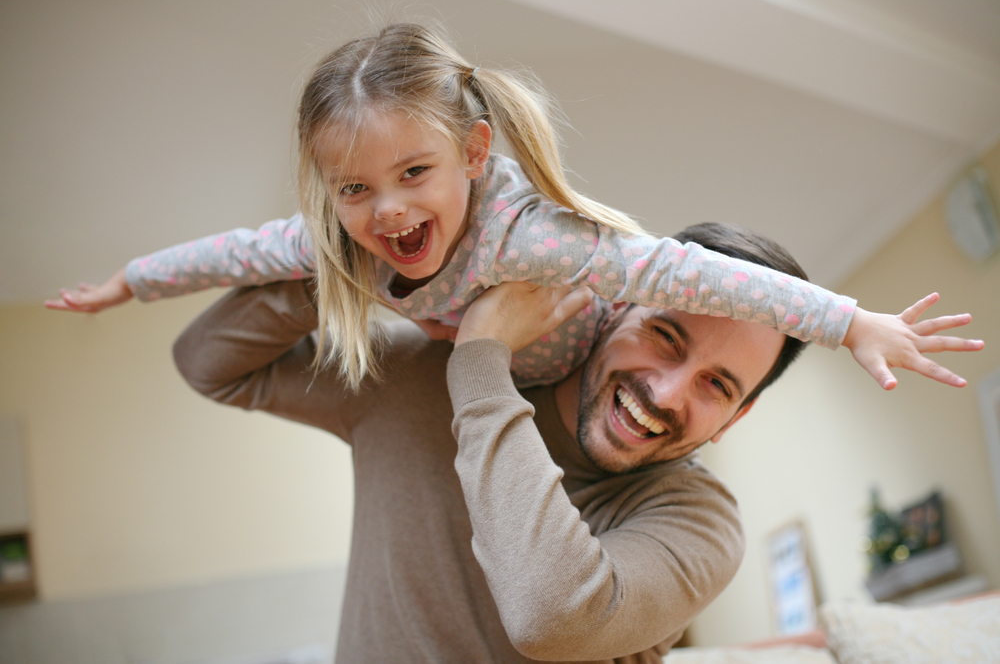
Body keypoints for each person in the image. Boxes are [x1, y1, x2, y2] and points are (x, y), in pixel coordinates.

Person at [171, 222, 981, 663]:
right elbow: (208, 363)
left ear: (734, 420)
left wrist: (482, 359)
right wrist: (351, 251)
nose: (668, 392)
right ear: (609, 310)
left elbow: (550, 615)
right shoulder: (415, 377)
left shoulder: (699, 518)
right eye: (665, 337)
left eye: (717, 385)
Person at [45, 22, 948, 393]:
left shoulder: (532, 236)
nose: (387, 212)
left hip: (579, 370)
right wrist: (127, 281)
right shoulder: (343, 245)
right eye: (354, 188)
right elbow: (233, 252)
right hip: (501, 386)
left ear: (474, 156)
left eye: (412, 174)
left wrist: (845, 320)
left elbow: (681, 270)